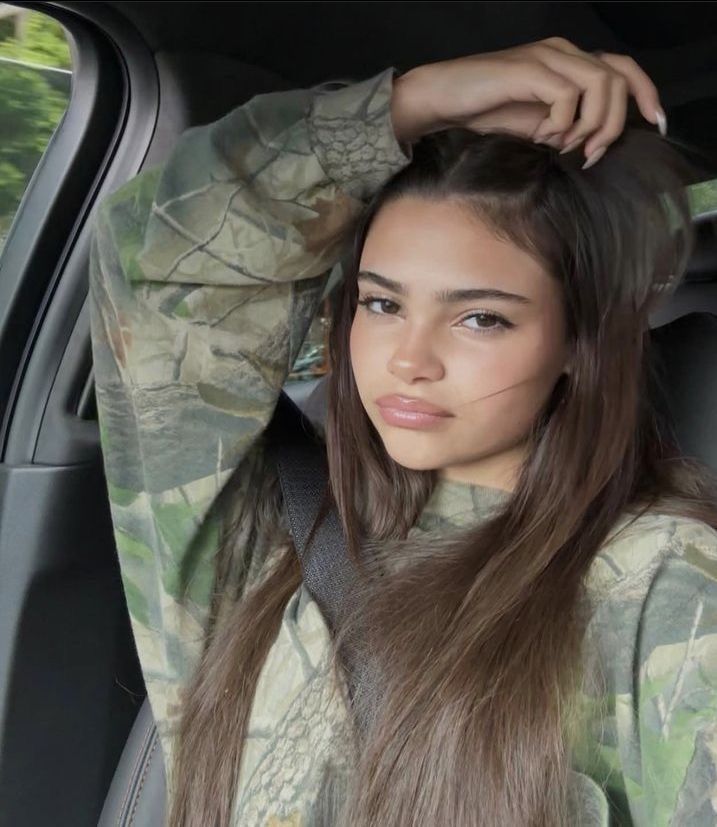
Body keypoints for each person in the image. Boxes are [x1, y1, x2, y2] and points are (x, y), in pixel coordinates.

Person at [88, 37, 717, 827]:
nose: (409, 360)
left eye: (480, 317)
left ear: (574, 345)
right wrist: (401, 107)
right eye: (381, 304)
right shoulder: (264, 539)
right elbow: (152, 263)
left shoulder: (662, 583)